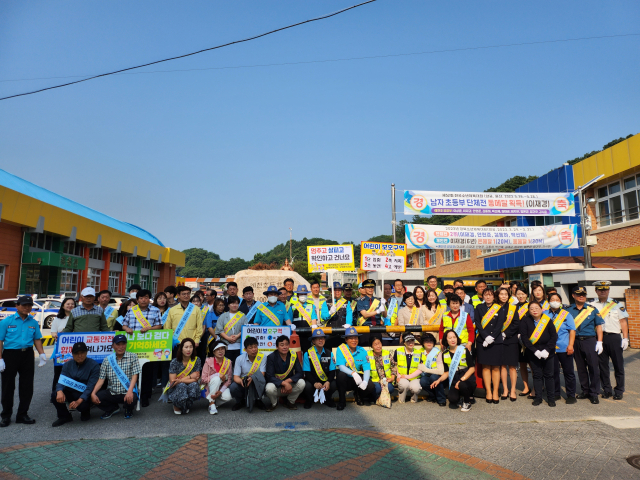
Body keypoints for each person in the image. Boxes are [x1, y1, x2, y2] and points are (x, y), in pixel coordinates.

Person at [0, 296, 47, 427]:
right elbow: (0, 340)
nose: (27, 308)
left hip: (27, 354)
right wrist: (0, 359)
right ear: (17, 306)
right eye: (24, 305)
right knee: (8, 386)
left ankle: (22, 414)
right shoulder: (6, 321)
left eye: (29, 305)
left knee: (27, 386)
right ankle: (6, 415)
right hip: (10, 354)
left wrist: (42, 353)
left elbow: (37, 339)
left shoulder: (33, 322)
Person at [121, 289, 162, 407]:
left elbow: (159, 326)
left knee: (147, 372)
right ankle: (132, 395)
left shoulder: (155, 310)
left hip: (148, 346)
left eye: (146, 297)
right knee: (132, 372)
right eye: (141, 298)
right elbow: (124, 324)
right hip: (133, 346)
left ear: (149, 299)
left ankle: (145, 396)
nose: (143, 300)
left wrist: (149, 328)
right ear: (137, 299)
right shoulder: (132, 310)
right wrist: (126, 329)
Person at [590, 281, 629, 400]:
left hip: (614, 337)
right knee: (602, 366)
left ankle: (619, 390)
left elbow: (623, 322)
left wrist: (625, 338)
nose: (603, 291)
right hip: (599, 339)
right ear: (596, 291)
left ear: (608, 290)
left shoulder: (617, 304)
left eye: (605, 289)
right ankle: (607, 389)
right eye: (600, 289)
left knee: (618, 365)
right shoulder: (591, 305)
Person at [566, 286, 604, 404]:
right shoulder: (568, 310)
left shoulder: (592, 310)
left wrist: (600, 341)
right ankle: (585, 390)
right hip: (575, 341)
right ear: (573, 295)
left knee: (593, 367)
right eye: (578, 294)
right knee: (581, 367)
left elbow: (599, 326)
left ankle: (594, 393)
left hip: (589, 340)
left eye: (583, 294)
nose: (581, 296)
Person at [91, 334, 140, 419]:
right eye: (118, 344)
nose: (121, 347)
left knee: (133, 398)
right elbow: (101, 379)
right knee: (96, 397)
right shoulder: (107, 360)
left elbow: (135, 376)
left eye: (123, 344)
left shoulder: (133, 357)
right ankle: (112, 408)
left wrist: (130, 391)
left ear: (126, 344)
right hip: (112, 392)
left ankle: (128, 409)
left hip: (126, 391)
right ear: (113, 346)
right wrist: (93, 393)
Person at [51, 342, 100, 426]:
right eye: (77, 353)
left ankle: (85, 411)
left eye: (82, 353)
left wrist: (79, 401)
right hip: (70, 391)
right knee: (54, 395)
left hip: (84, 393)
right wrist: (59, 391)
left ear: (86, 353)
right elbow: (61, 381)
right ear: (72, 354)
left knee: (83, 409)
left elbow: (90, 386)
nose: (80, 355)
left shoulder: (94, 365)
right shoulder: (67, 364)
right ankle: (64, 416)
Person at [519, 301, 558, 407]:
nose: (534, 310)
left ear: (541, 309)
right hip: (533, 352)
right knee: (537, 375)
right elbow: (524, 338)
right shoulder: (525, 321)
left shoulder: (547, 320)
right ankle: (538, 398)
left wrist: (547, 350)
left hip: (547, 352)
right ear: (528, 311)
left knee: (549, 375)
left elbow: (553, 336)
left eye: (536, 308)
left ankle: (551, 398)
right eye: (531, 308)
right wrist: (534, 351)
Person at [430, 330, 476, 412]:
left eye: (454, 337)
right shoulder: (445, 354)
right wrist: (438, 380)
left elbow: (472, 368)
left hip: (467, 378)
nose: (452, 340)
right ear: (446, 340)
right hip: (455, 379)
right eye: (450, 338)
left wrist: (461, 380)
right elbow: (447, 372)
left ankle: (467, 402)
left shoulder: (464, 350)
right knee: (452, 399)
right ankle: (461, 397)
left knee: (462, 385)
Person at [475, 288, 506, 404]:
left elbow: (499, 324)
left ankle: (495, 392)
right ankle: (488, 391)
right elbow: (478, 323)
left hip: (496, 341)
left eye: (490, 295)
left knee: (496, 367)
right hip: (482, 340)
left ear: (494, 297)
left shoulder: (499, 308)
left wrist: (491, 337)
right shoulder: (479, 308)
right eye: (486, 295)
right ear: (482, 296)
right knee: (486, 367)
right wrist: (485, 337)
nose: (488, 297)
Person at [546, 292, 577, 404]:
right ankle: (555, 393)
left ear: (560, 301)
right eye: (552, 299)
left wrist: (571, 345)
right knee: (553, 372)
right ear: (548, 301)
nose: (555, 301)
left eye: (557, 299)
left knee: (568, 372)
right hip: (550, 348)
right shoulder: (544, 314)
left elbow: (572, 331)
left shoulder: (566, 314)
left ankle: (571, 395)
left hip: (564, 347)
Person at [335, 326, 375, 410]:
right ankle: (342, 401)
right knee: (340, 375)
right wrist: (353, 373)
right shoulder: (341, 349)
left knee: (370, 385)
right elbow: (341, 367)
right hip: (347, 378)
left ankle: (359, 395)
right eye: (351, 338)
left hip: (357, 380)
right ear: (346, 340)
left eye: (356, 338)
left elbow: (367, 368)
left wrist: (365, 381)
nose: (354, 340)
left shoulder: (362, 351)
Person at [264, 335, 305, 412]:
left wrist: (287, 382)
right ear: (277, 347)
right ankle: (274, 404)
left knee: (302, 382)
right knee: (269, 388)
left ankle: (290, 402)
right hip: (277, 386)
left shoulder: (293, 355)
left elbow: (300, 373)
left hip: (289, 386)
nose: (285, 347)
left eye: (286, 344)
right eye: (282, 345)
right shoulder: (271, 357)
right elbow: (269, 376)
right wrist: (283, 383)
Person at [163, 338, 202, 414]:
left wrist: (181, 380)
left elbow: (195, 379)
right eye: (186, 347)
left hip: (189, 384)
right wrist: (190, 377)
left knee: (194, 385)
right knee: (182, 386)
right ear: (181, 349)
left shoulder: (197, 360)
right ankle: (177, 405)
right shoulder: (175, 362)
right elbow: (173, 382)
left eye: (191, 347)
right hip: (176, 387)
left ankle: (186, 405)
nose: (189, 350)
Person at [302, 329, 337, 409]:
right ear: (313, 341)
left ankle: (327, 399)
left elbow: (332, 371)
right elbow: (307, 372)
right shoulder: (307, 354)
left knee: (333, 384)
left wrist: (328, 382)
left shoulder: (329, 353)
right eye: (318, 338)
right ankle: (309, 399)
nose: (321, 340)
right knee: (307, 386)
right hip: (313, 380)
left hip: (325, 380)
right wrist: (314, 383)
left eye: (322, 338)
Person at [231, 337, 267, 411]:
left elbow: (262, 374)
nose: (254, 349)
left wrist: (253, 379)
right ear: (245, 349)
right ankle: (240, 401)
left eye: (255, 347)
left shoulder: (263, 357)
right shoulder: (239, 359)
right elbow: (235, 377)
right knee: (233, 387)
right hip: (244, 381)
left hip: (256, 381)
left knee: (263, 381)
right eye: (251, 348)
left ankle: (258, 400)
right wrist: (241, 381)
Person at [497, 287, 520, 401]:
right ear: (498, 295)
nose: (504, 296)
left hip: (510, 339)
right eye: (501, 294)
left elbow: (516, 323)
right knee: (502, 366)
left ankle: (513, 390)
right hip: (497, 339)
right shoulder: (494, 307)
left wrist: (506, 333)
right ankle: (505, 389)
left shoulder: (513, 308)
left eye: (506, 294)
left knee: (512, 366)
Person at [165, 285, 204, 350]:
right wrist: (171, 339)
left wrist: (197, 340)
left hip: (191, 343)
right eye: (184, 294)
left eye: (188, 294)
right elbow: (167, 327)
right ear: (178, 295)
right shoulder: (172, 310)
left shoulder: (196, 309)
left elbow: (199, 327)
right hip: (176, 342)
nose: (186, 296)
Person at [291, 285, 328, 351]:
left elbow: (314, 318)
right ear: (297, 296)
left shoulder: (311, 306)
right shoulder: (293, 307)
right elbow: (290, 320)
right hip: (296, 334)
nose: (303, 296)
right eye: (301, 294)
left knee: (307, 352)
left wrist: (314, 326)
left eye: (304, 294)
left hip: (307, 334)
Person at [50, 298, 76, 391]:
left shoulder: (78, 317)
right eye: (68, 304)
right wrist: (56, 335)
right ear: (63, 305)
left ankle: (71, 393)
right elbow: (53, 332)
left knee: (74, 372)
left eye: (72, 304)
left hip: (75, 349)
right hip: (61, 350)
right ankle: (55, 393)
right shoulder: (58, 318)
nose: (70, 306)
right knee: (59, 372)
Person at [201, 342, 232, 414]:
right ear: (214, 352)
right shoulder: (208, 361)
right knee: (217, 379)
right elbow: (203, 379)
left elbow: (229, 380)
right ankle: (212, 403)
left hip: (220, 387)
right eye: (218, 349)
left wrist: (220, 391)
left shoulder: (228, 362)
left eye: (222, 349)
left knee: (228, 397)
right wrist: (217, 375)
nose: (220, 351)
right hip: (209, 386)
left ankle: (213, 402)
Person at [214, 295, 247, 363]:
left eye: (236, 303)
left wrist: (237, 336)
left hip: (239, 346)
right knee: (227, 367)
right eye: (232, 303)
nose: (234, 305)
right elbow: (219, 330)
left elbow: (245, 328)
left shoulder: (242, 316)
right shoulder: (223, 316)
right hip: (226, 346)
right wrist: (228, 338)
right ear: (228, 305)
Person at [514, 287, 534, 398]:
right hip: (517, 339)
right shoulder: (513, 308)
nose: (521, 296)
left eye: (523, 294)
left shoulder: (531, 306)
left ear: (526, 295)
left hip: (530, 339)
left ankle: (537, 386)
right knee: (522, 364)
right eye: (518, 294)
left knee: (532, 364)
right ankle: (526, 387)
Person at [356, 279, 387, 346]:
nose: (370, 289)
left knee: (377, 348)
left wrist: (383, 306)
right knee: (365, 348)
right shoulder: (360, 301)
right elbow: (365, 315)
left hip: (377, 328)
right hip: (365, 328)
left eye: (372, 287)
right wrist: (378, 311)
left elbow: (385, 315)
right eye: (368, 287)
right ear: (364, 288)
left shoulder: (378, 300)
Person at [418, 333, 446, 406]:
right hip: (426, 375)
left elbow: (441, 371)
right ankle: (433, 395)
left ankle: (441, 399)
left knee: (433, 378)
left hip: (437, 375)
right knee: (423, 381)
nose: (429, 343)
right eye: (426, 341)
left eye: (431, 341)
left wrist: (426, 369)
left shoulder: (437, 352)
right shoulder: (420, 352)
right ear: (423, 343)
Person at [394, 334, 424, 403]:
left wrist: (408, 376)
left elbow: (420, 369)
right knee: (404, 385)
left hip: (414, 378)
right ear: (404, 342)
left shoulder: (418, 352)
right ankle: (402, 399)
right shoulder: (398, 351)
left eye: (412, 341)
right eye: (408, 341)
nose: (410, 343)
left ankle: (413, 399)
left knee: (416, 388)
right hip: (402, 377)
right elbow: (395, 366)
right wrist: (398, 376)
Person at [325, 282, 353, 350]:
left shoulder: (347, 302)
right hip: (330, 333)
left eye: (339, 290)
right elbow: (323, 316)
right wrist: (329, 312)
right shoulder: (326, 302)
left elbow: (349, 314)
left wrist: (348, 323)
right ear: (331, 292)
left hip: (342, 332)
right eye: (335, 290)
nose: (337, 292)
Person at [367, 337, 397, 401]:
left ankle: (381, 398)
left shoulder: (387, 353)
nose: (378, 346)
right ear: (371, 346)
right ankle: (375, 397)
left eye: (379, 343)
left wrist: (392, 378)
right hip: (374, 380)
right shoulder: (368, 355)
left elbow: (393, 366)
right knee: (377, 389)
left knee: (390, 388)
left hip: (386, 379)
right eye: (375, 344)